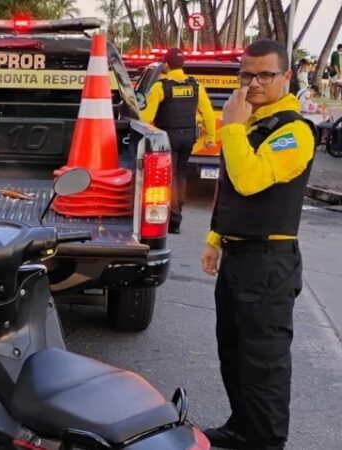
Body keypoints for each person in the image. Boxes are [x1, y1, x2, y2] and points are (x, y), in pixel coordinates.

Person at [201, 39, 316, 450]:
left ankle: (265, 441)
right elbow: (230, 189)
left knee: (263, 364)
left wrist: (231, 125)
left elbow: (250, 180)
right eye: (246, 74)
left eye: (266, 74)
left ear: (287, 76)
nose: (254, 83)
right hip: (238, 255)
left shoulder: (294, 132)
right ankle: (241, 430)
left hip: (269, 263)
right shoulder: (250, 124)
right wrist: (216, 239)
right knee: (233, 354)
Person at [141, 48, 216, 235]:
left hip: (168, 137)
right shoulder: (195, 86)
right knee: (180, 175)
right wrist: (210, 137)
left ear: (166, 65)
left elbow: (147, 116)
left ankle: (173, 219)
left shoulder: (161, 86)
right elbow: (207, 113)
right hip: (188, 137)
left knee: (169, 177)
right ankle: (177, 214)